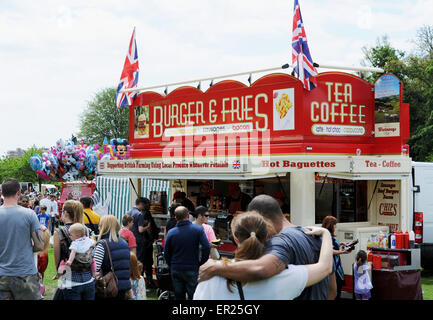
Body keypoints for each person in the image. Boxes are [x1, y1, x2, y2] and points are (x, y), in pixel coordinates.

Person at [199, 194, 334, 300]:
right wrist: (326, 233)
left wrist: (217, 266)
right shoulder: (315, 237)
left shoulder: (280, 242)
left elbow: (261, 268)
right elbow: (331, 288)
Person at [0, 178, 47, 300]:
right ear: (19, 193)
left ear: (1, 193)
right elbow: (40, 245)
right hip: (25, 273)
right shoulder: (29, 214)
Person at [164, 206, 210, 300]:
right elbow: (206, 247)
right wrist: (201, 262)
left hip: (176, 267)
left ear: (176, 217)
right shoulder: (198, 230)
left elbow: (166, 252)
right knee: (194, 296)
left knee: (179, 296)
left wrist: (171, 264)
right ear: (188, 216)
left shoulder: (171, 233)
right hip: (192, 267)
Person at [52, 200, 95, 300]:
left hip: (69, 278)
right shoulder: (86, 230)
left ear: (66, 213)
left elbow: (57, 260)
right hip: (88, 277)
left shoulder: (59, 232)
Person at [94, 215, 131, 300]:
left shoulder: (102, 244)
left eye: (100, 225)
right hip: (123, 286)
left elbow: (95, 268)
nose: (99, 228)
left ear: (104, 227)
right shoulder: (125, 244)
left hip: (108, 287)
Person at [322, 215, 351, 300]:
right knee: (335, 290)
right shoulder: (327, 236)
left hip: (336, 265)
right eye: (335, 225)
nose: (335, 227)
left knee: (337, 288)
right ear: (331, 225)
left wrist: (342, 243)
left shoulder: (327, 234)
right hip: (333, 266)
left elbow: (333, 244)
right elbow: (329, 250)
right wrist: (342, 252)